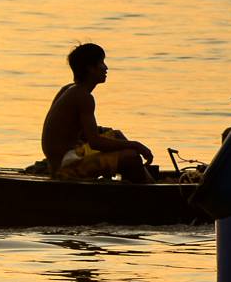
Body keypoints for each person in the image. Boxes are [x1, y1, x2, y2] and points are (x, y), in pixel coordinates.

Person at [41, 43, 155, 183]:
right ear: (90, 68)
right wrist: (136, 145)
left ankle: (146, 181)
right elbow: (95, 142)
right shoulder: (84, 97)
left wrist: (104, 133)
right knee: (131, 156)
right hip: (65, 167)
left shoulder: (69, 89)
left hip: (68, 156)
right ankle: (148, 192)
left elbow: (79, 132)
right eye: (101, 63)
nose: (106, 67)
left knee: (116, 135)